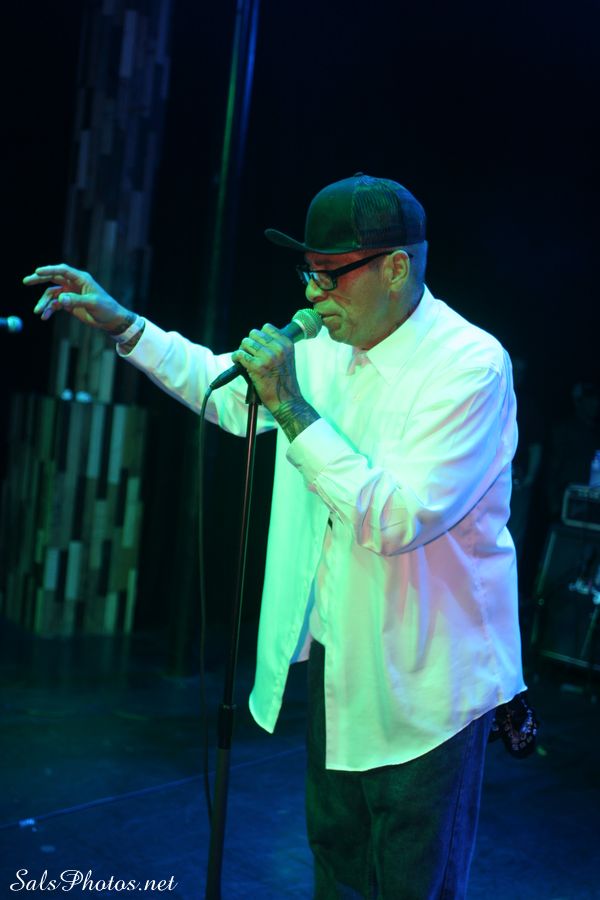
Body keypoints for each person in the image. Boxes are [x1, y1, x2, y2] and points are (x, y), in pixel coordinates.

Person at [24, 173, 526, 899]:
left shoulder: (470, 365)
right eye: (308, 273)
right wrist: (124, 325)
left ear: (396, 268)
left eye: (331, 274)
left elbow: (395, 520)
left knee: (412, 880)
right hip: (341, 660)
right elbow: (229, 392)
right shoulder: (325, 343)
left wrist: (288, 400)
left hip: (430, 678)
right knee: (337, 864)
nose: (314, 295)